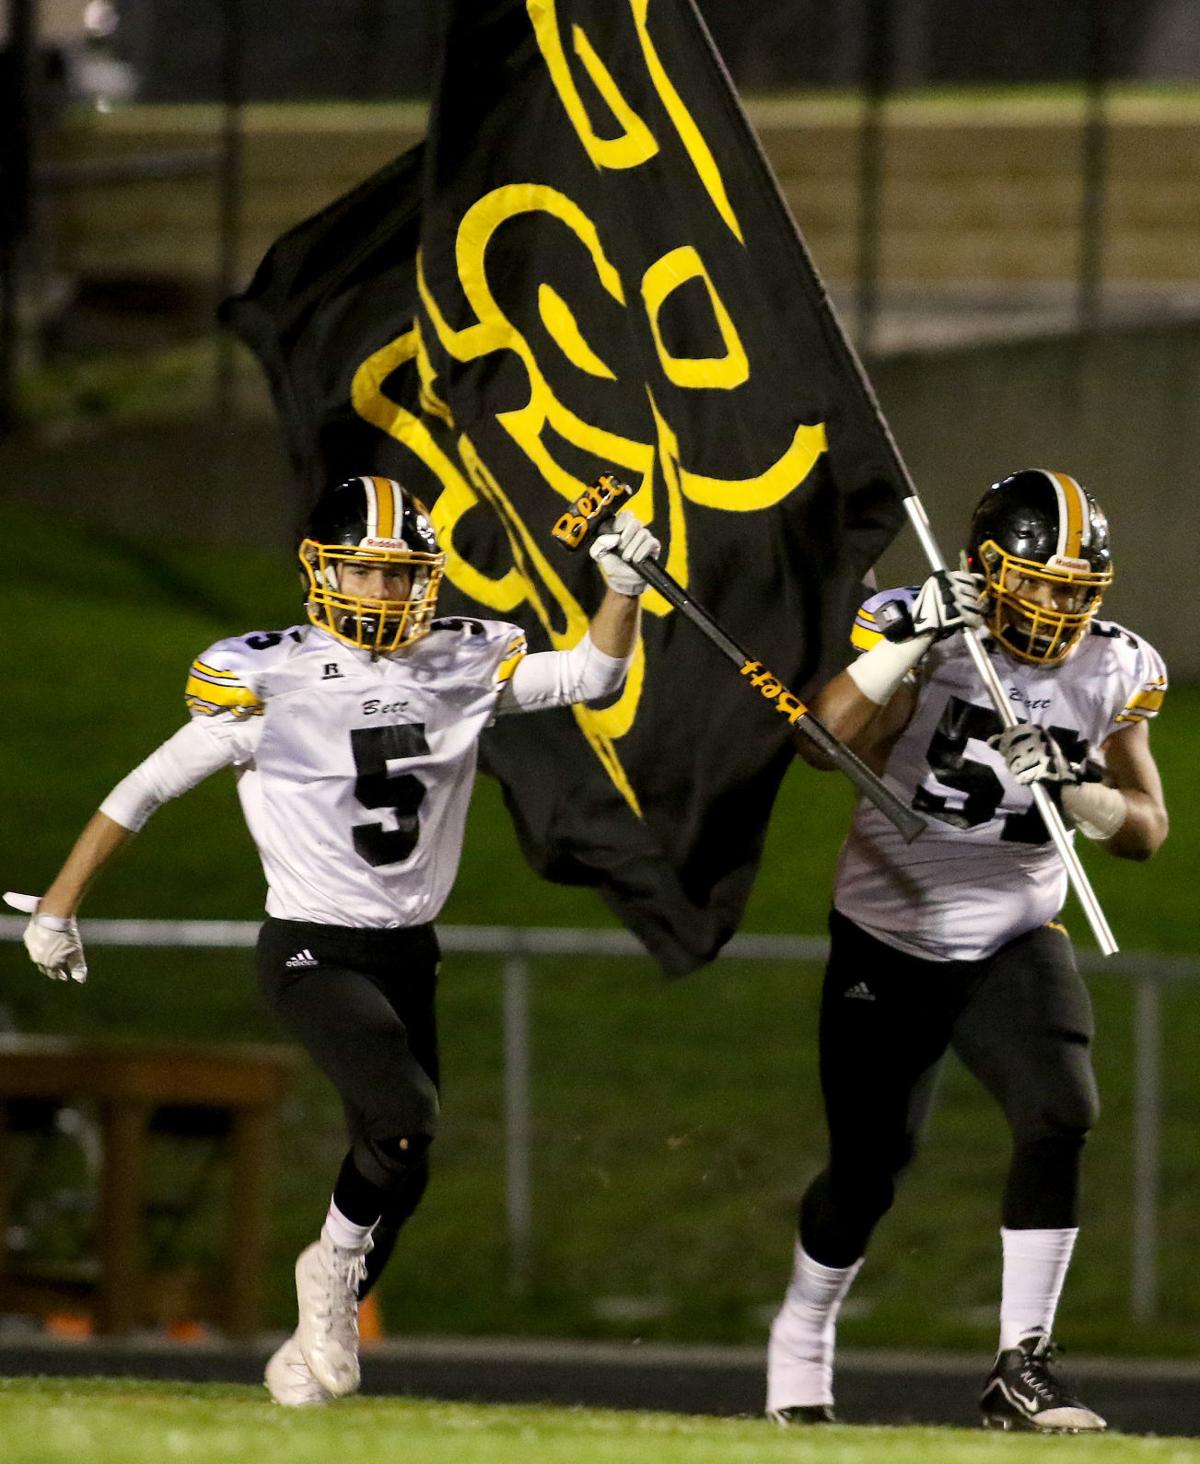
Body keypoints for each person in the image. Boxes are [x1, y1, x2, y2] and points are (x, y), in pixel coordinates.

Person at [5, 474, 660, 1407]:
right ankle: (326, 1278)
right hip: (311, 945)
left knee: (405, 1162)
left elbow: (595, 677)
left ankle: (305, 1356)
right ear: (322, 572)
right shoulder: (266, 675)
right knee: (401, 1109)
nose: (388, 595)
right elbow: (142, 789)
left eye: (403, 576)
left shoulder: (461, 659)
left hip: (409, 949)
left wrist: (623, 588)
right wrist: (58, 908)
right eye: (368, 574)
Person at [765, 469, 1168, 1434]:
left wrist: (1082, 792)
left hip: (1014, 928)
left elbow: (1147, 828)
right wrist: (905, 644)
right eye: (1040, 584)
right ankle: (804, 1330)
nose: (1057, 609)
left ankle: (1021, 1366)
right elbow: (824, 744)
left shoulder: (1115, 666)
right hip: (889, 931)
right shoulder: (924, 628)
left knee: (1061, 1108)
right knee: (868, 1170)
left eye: (1077, 591)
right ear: (987, 571)